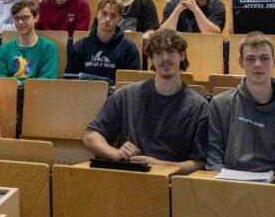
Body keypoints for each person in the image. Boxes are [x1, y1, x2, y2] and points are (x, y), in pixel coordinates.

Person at [84, 30, 208, 174]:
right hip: (131, 178)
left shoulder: (199, 106)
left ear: (182, 55)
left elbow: (199, 163)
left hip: (173, 182)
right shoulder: (126, 95)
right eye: (158, 53)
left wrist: (159, 165)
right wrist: (114, 153)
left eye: (171, 51)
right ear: (151, 59)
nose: (165, 58)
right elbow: (91, 136)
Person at [207, 32, 275, 178]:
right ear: (241, 62)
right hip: (231, 183)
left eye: (264, 58)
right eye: (250, 59)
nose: (258, 64)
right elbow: (214, 158)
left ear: (274, 61)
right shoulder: (220, 104)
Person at [66, 0, 141, 82]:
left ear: (120, 19)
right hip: (85, 90)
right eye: (104, 13)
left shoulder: (129, 49)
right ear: (97, 14)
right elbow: (69, 80)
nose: (107, 19)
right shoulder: (80, 46)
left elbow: (133, 83)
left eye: (113, 16)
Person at [0, 0, 59, 81]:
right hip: (9, 89)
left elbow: (47, 80)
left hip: (36, 90)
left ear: (36, 18)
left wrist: (18, 84)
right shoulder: (3, 50)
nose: (20, 22)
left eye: (25, 18)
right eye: (16, 18)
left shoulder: (48, 48)